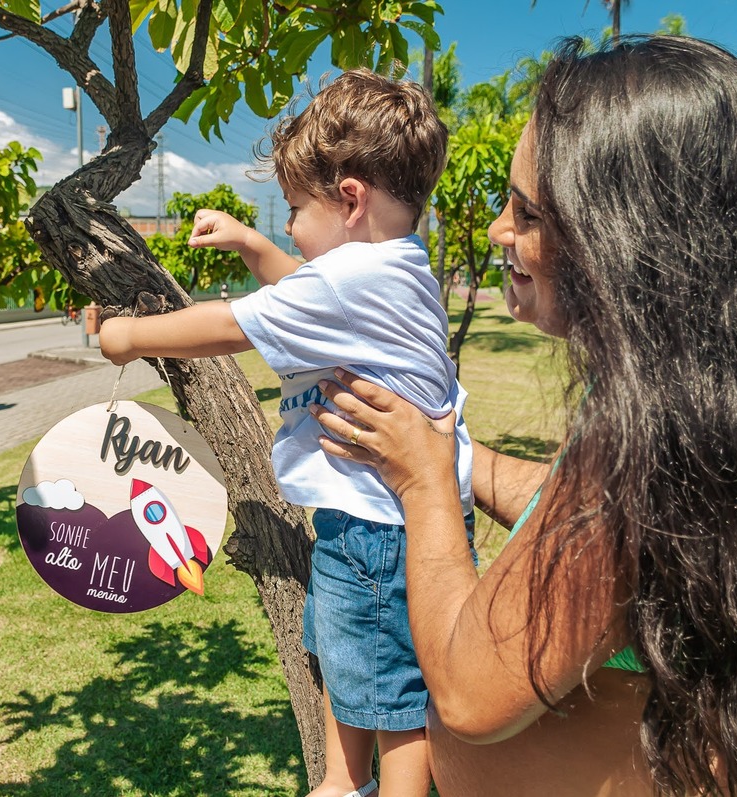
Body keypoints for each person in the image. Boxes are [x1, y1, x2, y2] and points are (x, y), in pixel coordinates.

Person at [310, 35, 737, 796]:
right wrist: (459, 455)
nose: (499, 230)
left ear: (629, 240)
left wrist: (425, 482)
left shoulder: (647, 454)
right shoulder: (725, 409)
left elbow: (466, 692)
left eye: (527, 212)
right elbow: (575, 513)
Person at [99, 69, 474, 797]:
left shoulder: (350, 281)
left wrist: (129, 336)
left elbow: (229, 324)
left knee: (394, 693)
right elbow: (303, 285)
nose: (291, 227)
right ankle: (341, 781)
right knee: (350, 654)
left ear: (351, 201)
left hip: (377, 525)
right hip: (396, 516)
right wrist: (249, 243)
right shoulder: (397, 268)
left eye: (296, 209)